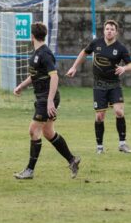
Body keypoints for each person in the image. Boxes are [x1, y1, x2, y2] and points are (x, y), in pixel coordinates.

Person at [13, 22, 81, 180]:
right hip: (44, 97)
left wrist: (50, 101)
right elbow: (35, 75)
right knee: (48, 132)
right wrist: (21, 86)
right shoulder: (37, 53)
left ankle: (29, 170)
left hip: (46, 98)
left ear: (31, 36)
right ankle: (72, 160)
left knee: (33, 130)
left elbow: (55, 76)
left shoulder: (45, 53)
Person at [65, 20, 131, 154]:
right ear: (104, 31)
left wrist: (124, 68)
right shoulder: (96, 43)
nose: (109, 31)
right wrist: (74, 67)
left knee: (119, 112)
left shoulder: (120, 48)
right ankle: (100, 147)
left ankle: (122, 144)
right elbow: (84, 53)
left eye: (112, 29)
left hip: (114, 84)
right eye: (107, 29)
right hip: (99, 85)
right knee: (99, 117)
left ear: (116, 32)